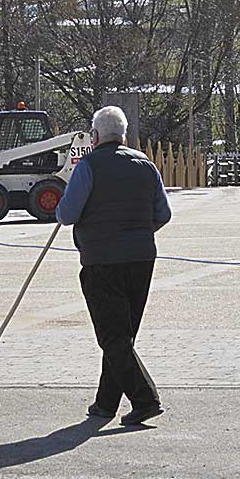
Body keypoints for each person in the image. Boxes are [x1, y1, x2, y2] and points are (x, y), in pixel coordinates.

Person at [54, 105, 172, 426]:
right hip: (142, 259)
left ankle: (145, 399)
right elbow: (163, 214)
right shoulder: (146, 165)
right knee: (122, 336)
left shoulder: (89, 166)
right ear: (123, 135)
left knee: (112, 337)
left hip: (101, 261)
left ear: (95, 136)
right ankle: (105, 404)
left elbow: (67, 215)